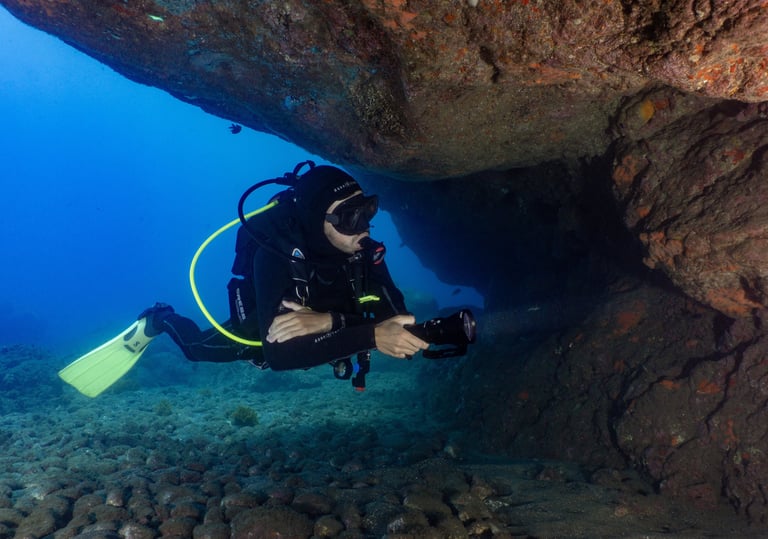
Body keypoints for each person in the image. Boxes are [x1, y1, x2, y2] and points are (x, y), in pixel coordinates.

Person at [140, 164, 429, 373]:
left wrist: (331, 321)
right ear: (317, 220)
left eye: (366, 211)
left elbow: (398, 319)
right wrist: (371, 334)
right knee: (197, 349)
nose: (363, 227)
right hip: (267, 325)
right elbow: (279, 357)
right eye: (348, 217)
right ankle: (160, 318)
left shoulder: (362, 249)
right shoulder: (274, 255)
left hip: (331, 323)